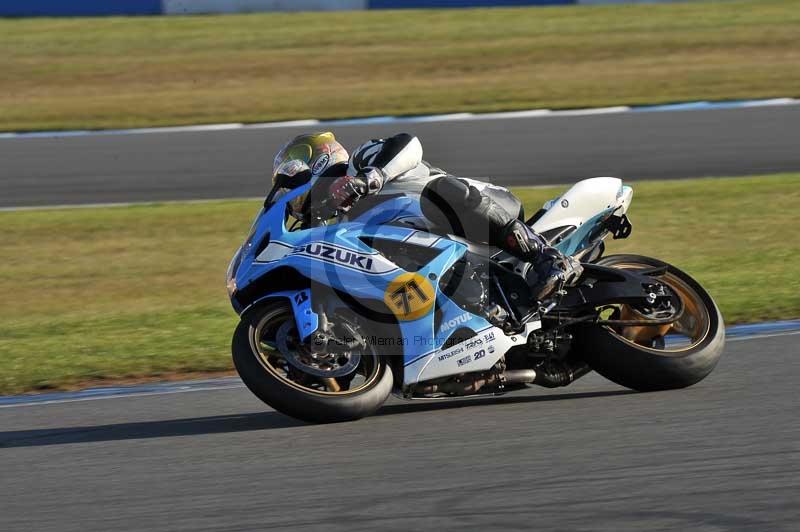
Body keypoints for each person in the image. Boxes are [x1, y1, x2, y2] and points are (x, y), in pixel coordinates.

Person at [271, 131, 582, 299]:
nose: (292, 179)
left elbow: (410, 145)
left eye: (295, 164)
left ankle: (547, 256)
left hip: (481, 207)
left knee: (438, 192)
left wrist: (370, 177)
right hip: (455, 265)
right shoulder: (345, 227)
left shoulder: (361, 160)